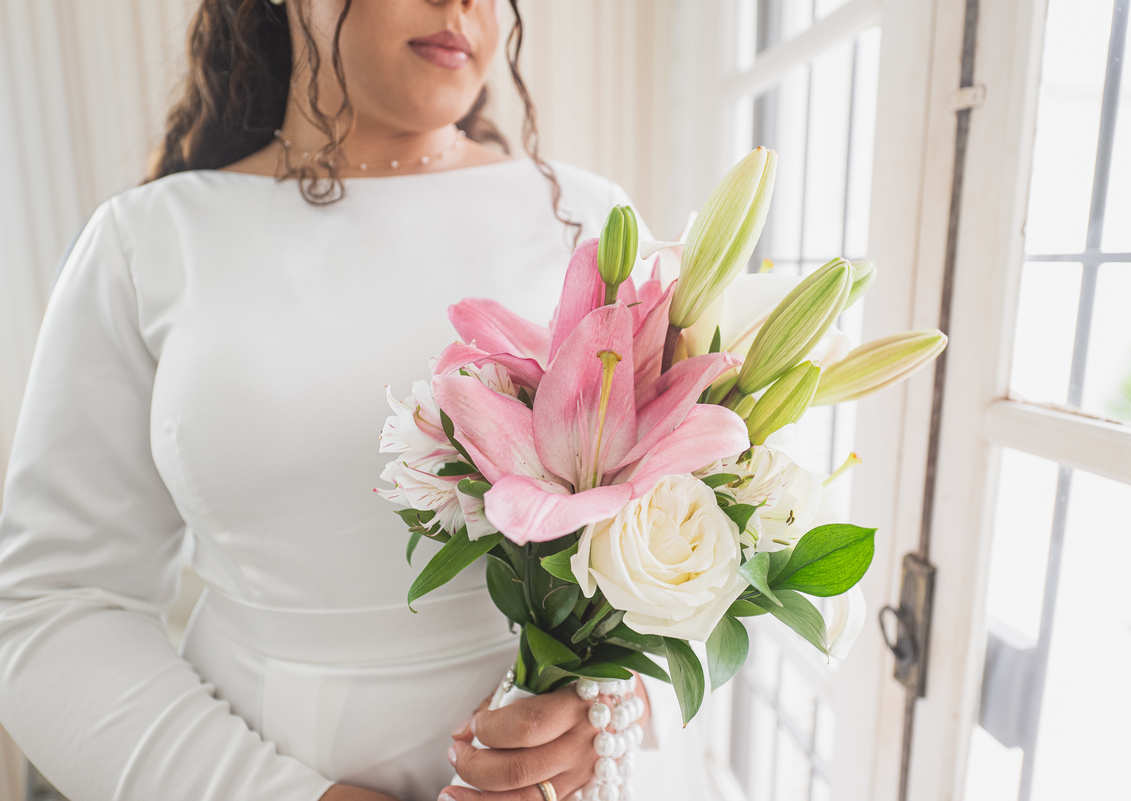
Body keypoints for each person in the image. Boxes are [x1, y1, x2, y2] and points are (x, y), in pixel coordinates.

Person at [0, 1, 685, 800]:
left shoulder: (594, 223)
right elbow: (54, 604)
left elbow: (699, 540)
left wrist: (618, 706)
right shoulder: (145, 241)